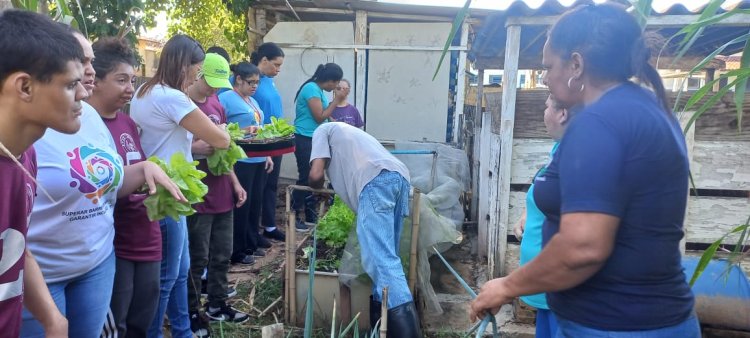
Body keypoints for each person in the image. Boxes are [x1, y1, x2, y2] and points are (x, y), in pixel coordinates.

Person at [470, 3, 698, 337]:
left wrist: (507, 286)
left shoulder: (598, 123)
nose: (545, 76)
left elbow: (583, 247)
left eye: (548, 66)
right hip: (652, 317)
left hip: (613, 324)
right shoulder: (649, 109)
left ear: (576, 64)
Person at [22, 29, 185, 338]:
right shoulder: (24, 134)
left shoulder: (91, 118)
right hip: (42, 274)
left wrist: (143, 170)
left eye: (92, 61)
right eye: (80, 60)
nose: (90, 71)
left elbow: (106, 182)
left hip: (96, 264)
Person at [129, 34, 230, 338]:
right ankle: (156, 332)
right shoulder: (173, 97)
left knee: (180, 269)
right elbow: (220, 140)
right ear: (183, 65)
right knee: (168, 275)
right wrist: (222, 129)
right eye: (197, 70)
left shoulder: (145, 91)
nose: (198, 76)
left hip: (157, 187)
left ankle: (183, 329)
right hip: (167, 190)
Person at [0, 9, 83, 337]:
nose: (84, 95)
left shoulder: (25, 154)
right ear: (24, 87)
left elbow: (16, 246)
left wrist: (52, 318)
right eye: (71, 85)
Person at [308, 122, 422, 337]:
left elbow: (315, 175)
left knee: (382, 261)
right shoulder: (347, 131)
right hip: (398, 177)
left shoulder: (321, 131)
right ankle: (382, 330)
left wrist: (314, 188)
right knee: (386, 260)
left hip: (375, 182)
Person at [85, 37, 161, 338]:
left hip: (147, 234)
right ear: (96, 81)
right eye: (121, 80)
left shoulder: (127, 124)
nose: (130, 88)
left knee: (144, 314)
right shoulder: (86, 127)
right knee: (117, 322)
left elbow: (139, 171)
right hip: (115, 241)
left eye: (132, 79)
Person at [187, 53, 250, 337]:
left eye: (218, 84)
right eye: (210, 82)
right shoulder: (182, 103)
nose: (214, 89)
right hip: (197, 192)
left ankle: (217, 303)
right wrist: (193, 149)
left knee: (222, 252)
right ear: (198, 74)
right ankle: (190, 310)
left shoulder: (217, 103)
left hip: (222, 189)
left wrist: (235, 183)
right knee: (196, 257)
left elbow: (225, 152)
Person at [512, 96, 570, 338]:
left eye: (546, 106)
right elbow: (544, 184)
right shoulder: (558, 149)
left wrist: (506, 287)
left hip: (559, 284)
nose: (543, 112)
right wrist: (528, 211)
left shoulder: (577, 157)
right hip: (544, 286)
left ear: (562, 114)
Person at [219, 62, 274, 265]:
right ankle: (237, 250)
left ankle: (251, 242)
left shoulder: (251, 100)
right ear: (238, 79)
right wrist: (242, 132)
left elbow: (259, 128)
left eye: (257, 82)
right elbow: (219, 130)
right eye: (250, 82)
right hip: (241, 159)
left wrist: (267, 154)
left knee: (254, 203)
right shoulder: (225, 99)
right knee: (241, 205)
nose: (255, 86)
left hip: (257, 158)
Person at [293, 63, 344, 231]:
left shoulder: (318, 90)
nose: (336, 86)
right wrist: (335, 101)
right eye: (336, 82)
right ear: (329, 80)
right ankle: (293, 215)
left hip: (314, 138)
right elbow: (319, 117)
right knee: (306, 177)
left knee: (314, 177)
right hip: (305, 138)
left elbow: (326, 118)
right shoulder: (311, 89)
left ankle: (309, 213)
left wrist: (337, 125)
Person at [251, 42, 287, 242]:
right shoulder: (250, 79)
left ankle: (270, 225)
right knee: (259, 185)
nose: (278, 70)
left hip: (275, 139)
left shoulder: (268, 80)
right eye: (276, 65)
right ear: (263, 60)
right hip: (259, 141)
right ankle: (253, 230)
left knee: (271, 184)